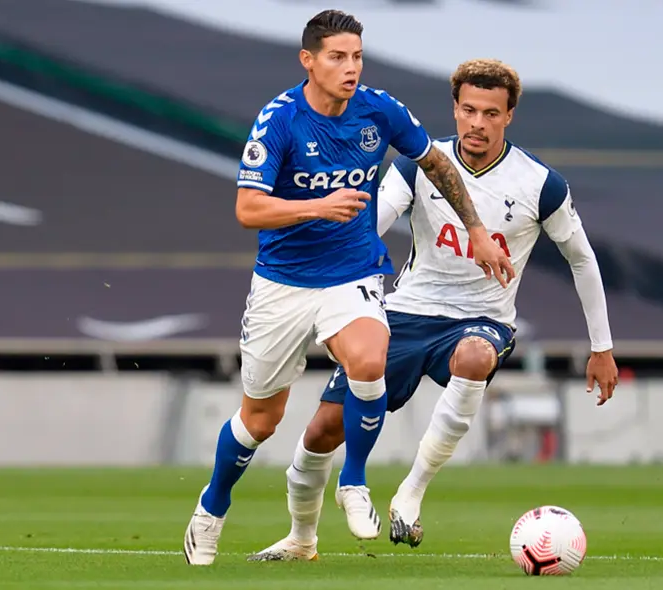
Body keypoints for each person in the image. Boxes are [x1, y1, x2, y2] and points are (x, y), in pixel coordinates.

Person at [248, 58, 618, 562]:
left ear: (509, 116)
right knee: (322, 431)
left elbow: (582, 259)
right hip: (405, 313)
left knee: (474, 357)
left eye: (491, 113)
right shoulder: (418, 165)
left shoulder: (540, 184)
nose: (478, 123)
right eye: (469, 110)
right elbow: (371, 225)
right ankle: (300, 539)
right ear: (455, 109)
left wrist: (602, 347)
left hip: (481, 319)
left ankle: (410, 494)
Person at [181, 10, 513, 566]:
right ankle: (212, 506)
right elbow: (247, 209)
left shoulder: (379, 111)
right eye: (337, 57)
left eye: (357, 56)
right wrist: (318, 205)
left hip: (352, 273)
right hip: (283, 283)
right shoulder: (280, 120)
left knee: (368, 358)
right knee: (260, 421)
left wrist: (476, 229)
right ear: (308, 61)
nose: (351, 67)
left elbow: (436, 163)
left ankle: (353, 481)